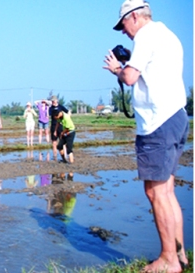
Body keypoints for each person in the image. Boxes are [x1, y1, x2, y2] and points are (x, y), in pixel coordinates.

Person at [103, 1, 189, 271]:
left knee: (155, 192)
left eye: (123, 25)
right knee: (167, 190)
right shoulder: (168, 35)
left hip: (157, 122)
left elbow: (129, 78)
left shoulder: (146, 36)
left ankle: (168, 260)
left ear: (135, 17)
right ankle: (180, 254)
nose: (123, 32)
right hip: (176, 115)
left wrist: (117, 68)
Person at [48, 96, 70, 161]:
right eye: (52, 101)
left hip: (60, 126)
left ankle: (65, 155)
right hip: (53, 126)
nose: (53, 102)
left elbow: (68, 111)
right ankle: (55, 156)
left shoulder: (61, 107)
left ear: (57, 100)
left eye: (54, 100)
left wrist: (67, 119)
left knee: (62, 141)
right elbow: (48, 114)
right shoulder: (50, 108)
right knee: (54, 142)